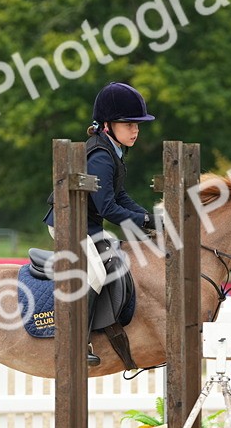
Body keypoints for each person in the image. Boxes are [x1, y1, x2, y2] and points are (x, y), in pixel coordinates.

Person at [43, 82, 157, 366]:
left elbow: (119, 196)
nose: (135, 130)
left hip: (87, 223)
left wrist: (149, 220)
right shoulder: (100, 155)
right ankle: (75, 341)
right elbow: (107, 207)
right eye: (129, 124)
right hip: (69, 222)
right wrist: (142, 220)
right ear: (107, 124)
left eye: (137, 125)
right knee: (94, 272)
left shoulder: (114, 151)